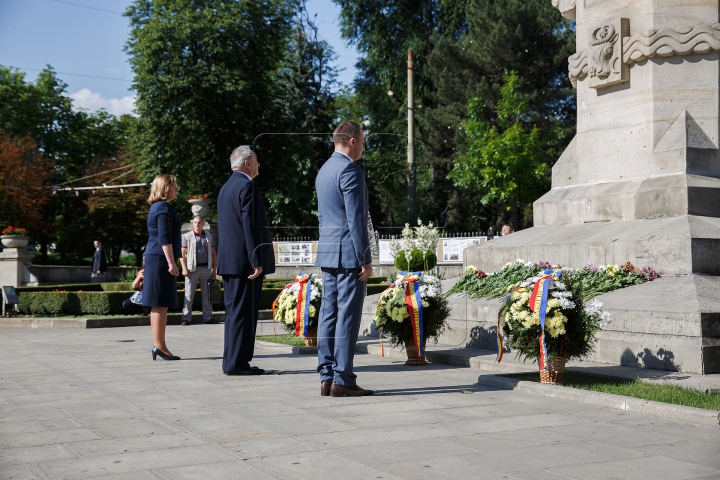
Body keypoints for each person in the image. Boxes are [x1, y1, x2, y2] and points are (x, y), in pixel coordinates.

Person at [315, 121, 373, 397]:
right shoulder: (350, 169)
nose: (363, 146)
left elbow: (324, 217)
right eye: (362, 141)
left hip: (328, 253)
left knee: (329, 314)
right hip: (349, 255)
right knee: (347, 316)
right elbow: (355, 220)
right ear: (352, 141)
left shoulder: (324, 169)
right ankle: (343, 379)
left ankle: (326, 377)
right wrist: (365, 257)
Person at [216, 145, 275, 375]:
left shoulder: (225, 188)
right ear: (247, 163)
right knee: (244, 315)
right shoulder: (247, 185)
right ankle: (238, 364)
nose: (259, 165)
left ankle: (231, 361)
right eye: (257, 161)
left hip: (230, 262)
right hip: (244, 263)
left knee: (234, 315)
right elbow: (249, 226)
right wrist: (255, 259)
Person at [143, 174, 182, 361]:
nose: (176, 189)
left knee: (159, 303)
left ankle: (160, 345)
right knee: (160, 303)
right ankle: (160, 346)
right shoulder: (163, 207)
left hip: (156, 257)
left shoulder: (157, 207)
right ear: (165, 188)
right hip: (160, 258)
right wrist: (172, 263)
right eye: (173, 186)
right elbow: (164, 237)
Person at [180, 216, 217, 326]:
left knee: (207, 295)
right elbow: (182, 254)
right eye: (195, 222)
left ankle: (208, 317)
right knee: (189, 295)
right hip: (192, 269)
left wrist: (214, 270)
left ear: (203, 224)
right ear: (193, 224)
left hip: (206, 268)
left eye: (199, 222)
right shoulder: (187, 236)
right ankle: (186, 318)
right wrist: (184, 268)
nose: (197, 224)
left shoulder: (209, 237)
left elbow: (214, 254)